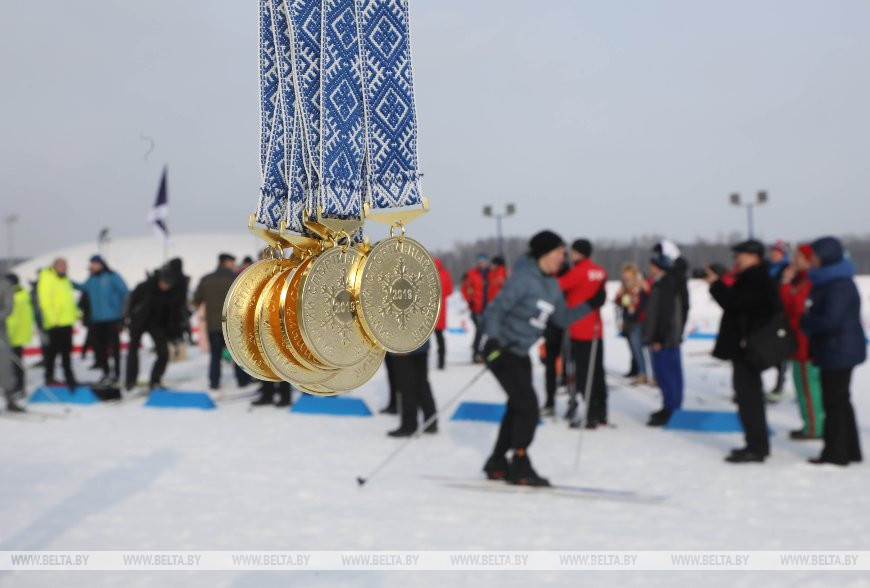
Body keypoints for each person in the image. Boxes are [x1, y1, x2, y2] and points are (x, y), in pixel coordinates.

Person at [480, 230, 606, 486]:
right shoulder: (523, 279)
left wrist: (590, 304)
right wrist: (492, 340)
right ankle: (520, 464)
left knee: (518, 406)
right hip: (501, 350)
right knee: (528, 406)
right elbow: (495, 310)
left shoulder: (553, 285)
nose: (563, 257)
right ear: (544, 254)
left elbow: (561, 319)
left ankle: (497, 462)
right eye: (558, 253)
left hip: (520, 352)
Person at [706, 240, 778, 463]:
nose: (737, 259)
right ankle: (754, 443)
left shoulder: (756, 278)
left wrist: (716, 285)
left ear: (754, 257)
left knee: (749, 398)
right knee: (746, 397)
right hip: (745, 346)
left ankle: (756, 446)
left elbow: (734, 303)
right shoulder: (752, 276)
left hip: (749, 347)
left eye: (741, 255)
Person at [801, 237, 865, 466]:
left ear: (825, 257)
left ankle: (835, 453)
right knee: (841, 400)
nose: (812, 260)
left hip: (838, 350)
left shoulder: (837, 284)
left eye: (815, 256)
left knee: (834, 402)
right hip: (837, 348)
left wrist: (806, 321)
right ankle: (850, 450)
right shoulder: (830, 281)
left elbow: (831, 320)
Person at [558, 239, 608, 429]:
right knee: (597, 372)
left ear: (579, 253)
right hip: (596, 328)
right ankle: (601, 412)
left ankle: (591, 415)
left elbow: (557, 286)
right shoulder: (600, 271)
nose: (570, 255)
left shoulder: (577, 272)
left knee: (584, 374)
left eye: (573, 252)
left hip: (579, 329)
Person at [779, 244, 823, 440]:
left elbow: (796, 307)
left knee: (807, 387)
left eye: (799, 257)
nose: (794, 260)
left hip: (805, 342)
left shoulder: (808, 280)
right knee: (804, 386)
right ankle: (811, 424)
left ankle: (814, 427)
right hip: (799, 340)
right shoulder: (802, 278)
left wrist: (785, 285)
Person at [193, 253, 251, 390]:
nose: (234, 265)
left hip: (213, 324)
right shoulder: (235, 278)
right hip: (231, 324)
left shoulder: (206, 279)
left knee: (215, 355)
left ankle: (214, 382)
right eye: (232, 262)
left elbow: (196, 300)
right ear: (226, 262)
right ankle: (242, 380)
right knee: (236, 353)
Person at [125, 268, 187, 391]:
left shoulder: (172, 293)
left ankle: (155, 380)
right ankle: (130, 381)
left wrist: (174, 331)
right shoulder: (144, 287)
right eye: (164, 283)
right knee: (133, 351)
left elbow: (172, 313)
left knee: (163, 352)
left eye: (168, 285)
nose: (166, 287)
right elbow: (130, 302)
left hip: (156, 324)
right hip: (138, 322)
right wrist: (127, 318)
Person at [644, 254, 685, 426]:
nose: (649, 268)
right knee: (666, 375)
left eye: (652, 265)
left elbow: (665, 313)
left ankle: (671, 410)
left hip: (666, 339)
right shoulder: (663, 283)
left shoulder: (666, 284)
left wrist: (659, 338)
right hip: (668, 337)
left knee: (667, 375)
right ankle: (669, 407)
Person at [79, 255, 129, 383]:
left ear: (101, 264)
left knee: (114, 347)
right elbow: (83, 287)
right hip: (96, 319)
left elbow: (125, 292)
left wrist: (121, 312)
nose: (93, 266)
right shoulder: (92, 279)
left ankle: (116, 373)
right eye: (92, 264)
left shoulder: (112, 276)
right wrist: (68, 282)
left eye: (95, 264)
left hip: (112, 318)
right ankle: (106, 372)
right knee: (99, 348)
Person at [36, 258, 80, 390]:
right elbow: (45, 301)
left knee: (67, 352)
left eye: (66, 266)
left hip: (66, 322)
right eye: (62, 266)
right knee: (53, 352)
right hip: (55, 324)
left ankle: (69, 378)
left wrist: (77, 314)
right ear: (55, 266)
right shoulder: (47, 278)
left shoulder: (64, 279)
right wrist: (53, 319)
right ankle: (49, 377)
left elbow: (68, 300)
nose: (65, 268)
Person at [386, 340, 437, 437]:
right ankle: (431, 421)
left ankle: (409, 425)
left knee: (406, 385)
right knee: (421, 382)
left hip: (402, 345)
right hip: (421, 343)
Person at [615, 262, 650, 385]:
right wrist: (619, 296)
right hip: (629, 320)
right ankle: (641, 372)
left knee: (641, 348)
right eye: (625, 275)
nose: (626, 277)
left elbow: (647, 296)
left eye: (629, 275)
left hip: (640, 320)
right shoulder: (625, 288)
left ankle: (646, 373)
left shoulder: (640, 285)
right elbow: (620, 303)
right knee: (634, 349)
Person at [767, 240, 791, 401]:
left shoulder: (787, 269)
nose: (774, 255)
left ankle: (779, 384)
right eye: (773, 252)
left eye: (777, 252)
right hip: (768, 314)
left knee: (782, 352)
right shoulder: (766, 267)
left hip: (782, 315)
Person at [5, 274, 34, 400]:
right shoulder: (22, 294)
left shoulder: (13, 297)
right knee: (16, 362)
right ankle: (18, 387)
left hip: (13, 335)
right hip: (20, 334)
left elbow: (12, 320)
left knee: (14, 363)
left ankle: (18, 387)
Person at [462, 254, 491, 363]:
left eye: (483, 261)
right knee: (480, 330)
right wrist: (470, 300)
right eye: (479, 261)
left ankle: (483, 351)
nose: (481, 263)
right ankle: (477, 353)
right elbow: (466, 288)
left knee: (487, 330)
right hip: (476, 308)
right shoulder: (471, 273)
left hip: (489, 307)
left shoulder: (490, 273)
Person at [0, 276, 21, 412]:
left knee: (5, 365)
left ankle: (10, 399)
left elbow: (9, 307)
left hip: (1, 332)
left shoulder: (4, 284)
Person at [433, 258, 453, 370]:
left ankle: (418, 361)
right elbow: (450, 291)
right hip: (441, 311)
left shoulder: (427, 273)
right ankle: (441, 361)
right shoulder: (446, 274)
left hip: (427, 311)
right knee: (440, 338)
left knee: (422, 340)